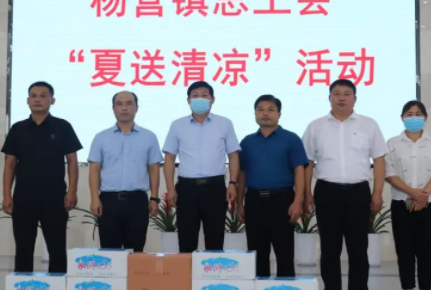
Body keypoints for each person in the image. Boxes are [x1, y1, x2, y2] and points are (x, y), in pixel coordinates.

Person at [302, 79, 387, 290]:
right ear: (329, 97)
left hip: (358, 193)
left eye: (347, 93)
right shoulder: (316, 126)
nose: (341, 97)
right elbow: (307, 162)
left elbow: (379, 160)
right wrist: (307, 193)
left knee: (358, 249)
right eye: (336, 93)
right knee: (329, 249)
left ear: (355, 98)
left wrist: (377, 193)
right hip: (326, 191)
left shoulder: (369, 125)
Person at [0, 81, 82, 290]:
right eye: (33, 95)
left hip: (55, 197)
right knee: (23, 247)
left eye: (43, 96)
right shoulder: (18, 128)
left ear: (52, 100)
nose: (38, 99)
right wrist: (6, 194)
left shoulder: (63, 126)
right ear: (27, 100)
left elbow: (72, 160)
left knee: (56, 247)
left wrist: (72, 191)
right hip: (24, 197)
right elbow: (10, 163)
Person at [163, 81, 240, 252]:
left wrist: (232, 183)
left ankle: (213, 270)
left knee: (215, 238)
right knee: (186, 240)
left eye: (205, 95)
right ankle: (185, 271)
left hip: (215, 187)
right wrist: (170, 188)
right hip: (187, 188)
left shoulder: (224, 123)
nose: (200, 99)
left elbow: (233, 155)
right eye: (195, 95)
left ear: (213, 99)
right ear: (188, 100)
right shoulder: (177, 125)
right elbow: (169, 158)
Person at [385, 100, 431, 290]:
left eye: (418, 114)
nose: (413, 117)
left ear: (425, 118)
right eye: (409, 114)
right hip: (402, 204)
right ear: (402, 118)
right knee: (404, 252)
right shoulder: (392, 143)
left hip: (430, 204)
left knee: (427, 252)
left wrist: (423, 194)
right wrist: (413, 192)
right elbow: (389, 173)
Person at [237, 95, 307, 277]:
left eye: (270, 109)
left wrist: (297, 202)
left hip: (282, 200)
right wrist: (239, 204)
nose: (265, 113)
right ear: (255, 114)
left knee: (284, 252)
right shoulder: (247, 142)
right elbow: (241, 174)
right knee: (257, 254)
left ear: (279, 114)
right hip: (254, 201)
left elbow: (299, 171)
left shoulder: (291, 139)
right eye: (261, 109)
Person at [88, 91, 162, 251]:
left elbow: (154, 169)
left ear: (136, 108)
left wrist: (154, 198)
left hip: (137, 201)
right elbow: (94, 169)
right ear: (113, 108)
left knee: (135, 251)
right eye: (119, 104)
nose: (124, 108)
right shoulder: (101, 137)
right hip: (109, 201)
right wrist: (95, 198)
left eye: (129, 103)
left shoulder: (149, 137)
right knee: (110, 252)